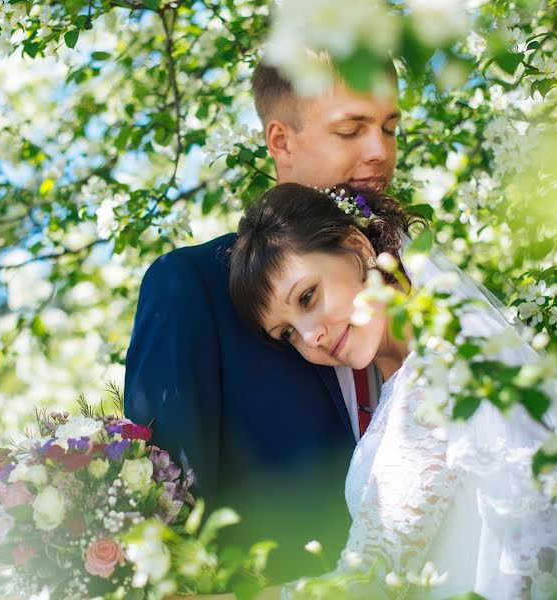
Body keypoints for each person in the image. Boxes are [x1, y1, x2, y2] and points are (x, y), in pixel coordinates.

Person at [228, 183, 557, 599]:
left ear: (356, 246)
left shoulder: (438, 377)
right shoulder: (404, 385)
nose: (312, 337)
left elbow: (366, 583)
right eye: (287, 333)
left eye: (308, 296)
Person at [123, 61, 401, 581]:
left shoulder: (420, 278)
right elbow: (171, 521)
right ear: (282, 140)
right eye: (350, 129)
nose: (379, 152)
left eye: (390, 128)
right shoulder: (192, 286)